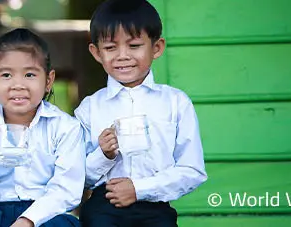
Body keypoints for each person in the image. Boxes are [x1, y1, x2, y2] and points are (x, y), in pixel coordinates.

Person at [75, 0, 208, 226]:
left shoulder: (176, 102)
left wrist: (139, 189)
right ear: (96, 53)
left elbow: (192, 170)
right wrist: (103, 155)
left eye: (134, 45)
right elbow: (75, 176)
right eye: (110, 48)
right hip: (103, 208)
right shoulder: (89, 108)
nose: (122, 55)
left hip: (155, 207)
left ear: (156, 48)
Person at [0, 28, 83, 227]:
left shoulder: (65, 128)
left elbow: (66, 191)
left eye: (30, 75)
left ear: (48, 80)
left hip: (45, 214)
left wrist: (28, 220)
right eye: (6, 75)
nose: (18, 85)